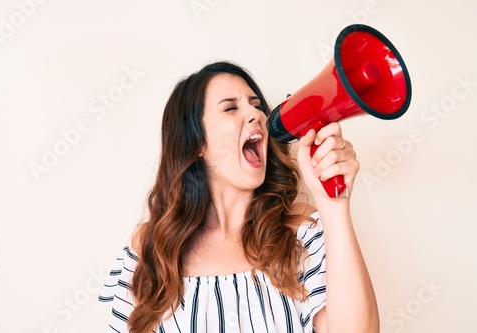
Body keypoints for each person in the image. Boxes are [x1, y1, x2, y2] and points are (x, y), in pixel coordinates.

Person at [99, 61, 379, 333]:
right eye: (231, 108)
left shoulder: (299, 232)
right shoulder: (153, 248)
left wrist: (334, 205)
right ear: (197, 143)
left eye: (257, 105)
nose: (256, 115)